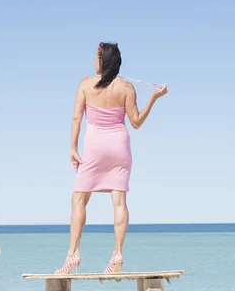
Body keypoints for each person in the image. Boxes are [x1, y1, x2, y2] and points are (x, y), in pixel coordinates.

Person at [55, 42, 167, 275]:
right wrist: (154, 98)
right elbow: (135, 122)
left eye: (95, 58)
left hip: (95, 147)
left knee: (78, 201)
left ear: (102, 60)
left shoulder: (86, 84)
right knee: (119, 202)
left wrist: (73, 148)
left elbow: (77, 118)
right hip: (119, 147)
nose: (93, 62)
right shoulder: (126, 88)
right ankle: (117, 254)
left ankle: (72, 253)